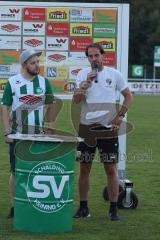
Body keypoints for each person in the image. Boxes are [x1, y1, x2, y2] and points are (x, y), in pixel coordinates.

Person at [73, 43, 133, 221]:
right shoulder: (82, 75)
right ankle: (84, 208)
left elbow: (129, 96)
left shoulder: (114, 74)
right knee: (84, 169)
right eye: (90, 56)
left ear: (103, 56)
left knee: (110, 169)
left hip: (108, 130)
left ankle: (113, 209)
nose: (94, 59)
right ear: (88, 58)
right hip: (87, 129)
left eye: (96, 55)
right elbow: (76, 100)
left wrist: (120, 116)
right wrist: (86, 83)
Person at [1, 49, 56, 218]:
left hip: (38, 135)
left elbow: (51, 104)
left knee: (36, 171)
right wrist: (7, 132)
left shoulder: (44, 82)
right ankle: (14, 206)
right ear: (24, 65)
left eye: (37, 62)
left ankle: (32, 204)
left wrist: (50, 127)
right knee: (16, 171)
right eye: (33, 63)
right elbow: (5, 108)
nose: (37, 65)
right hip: (17, 134)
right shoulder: (13, 82)